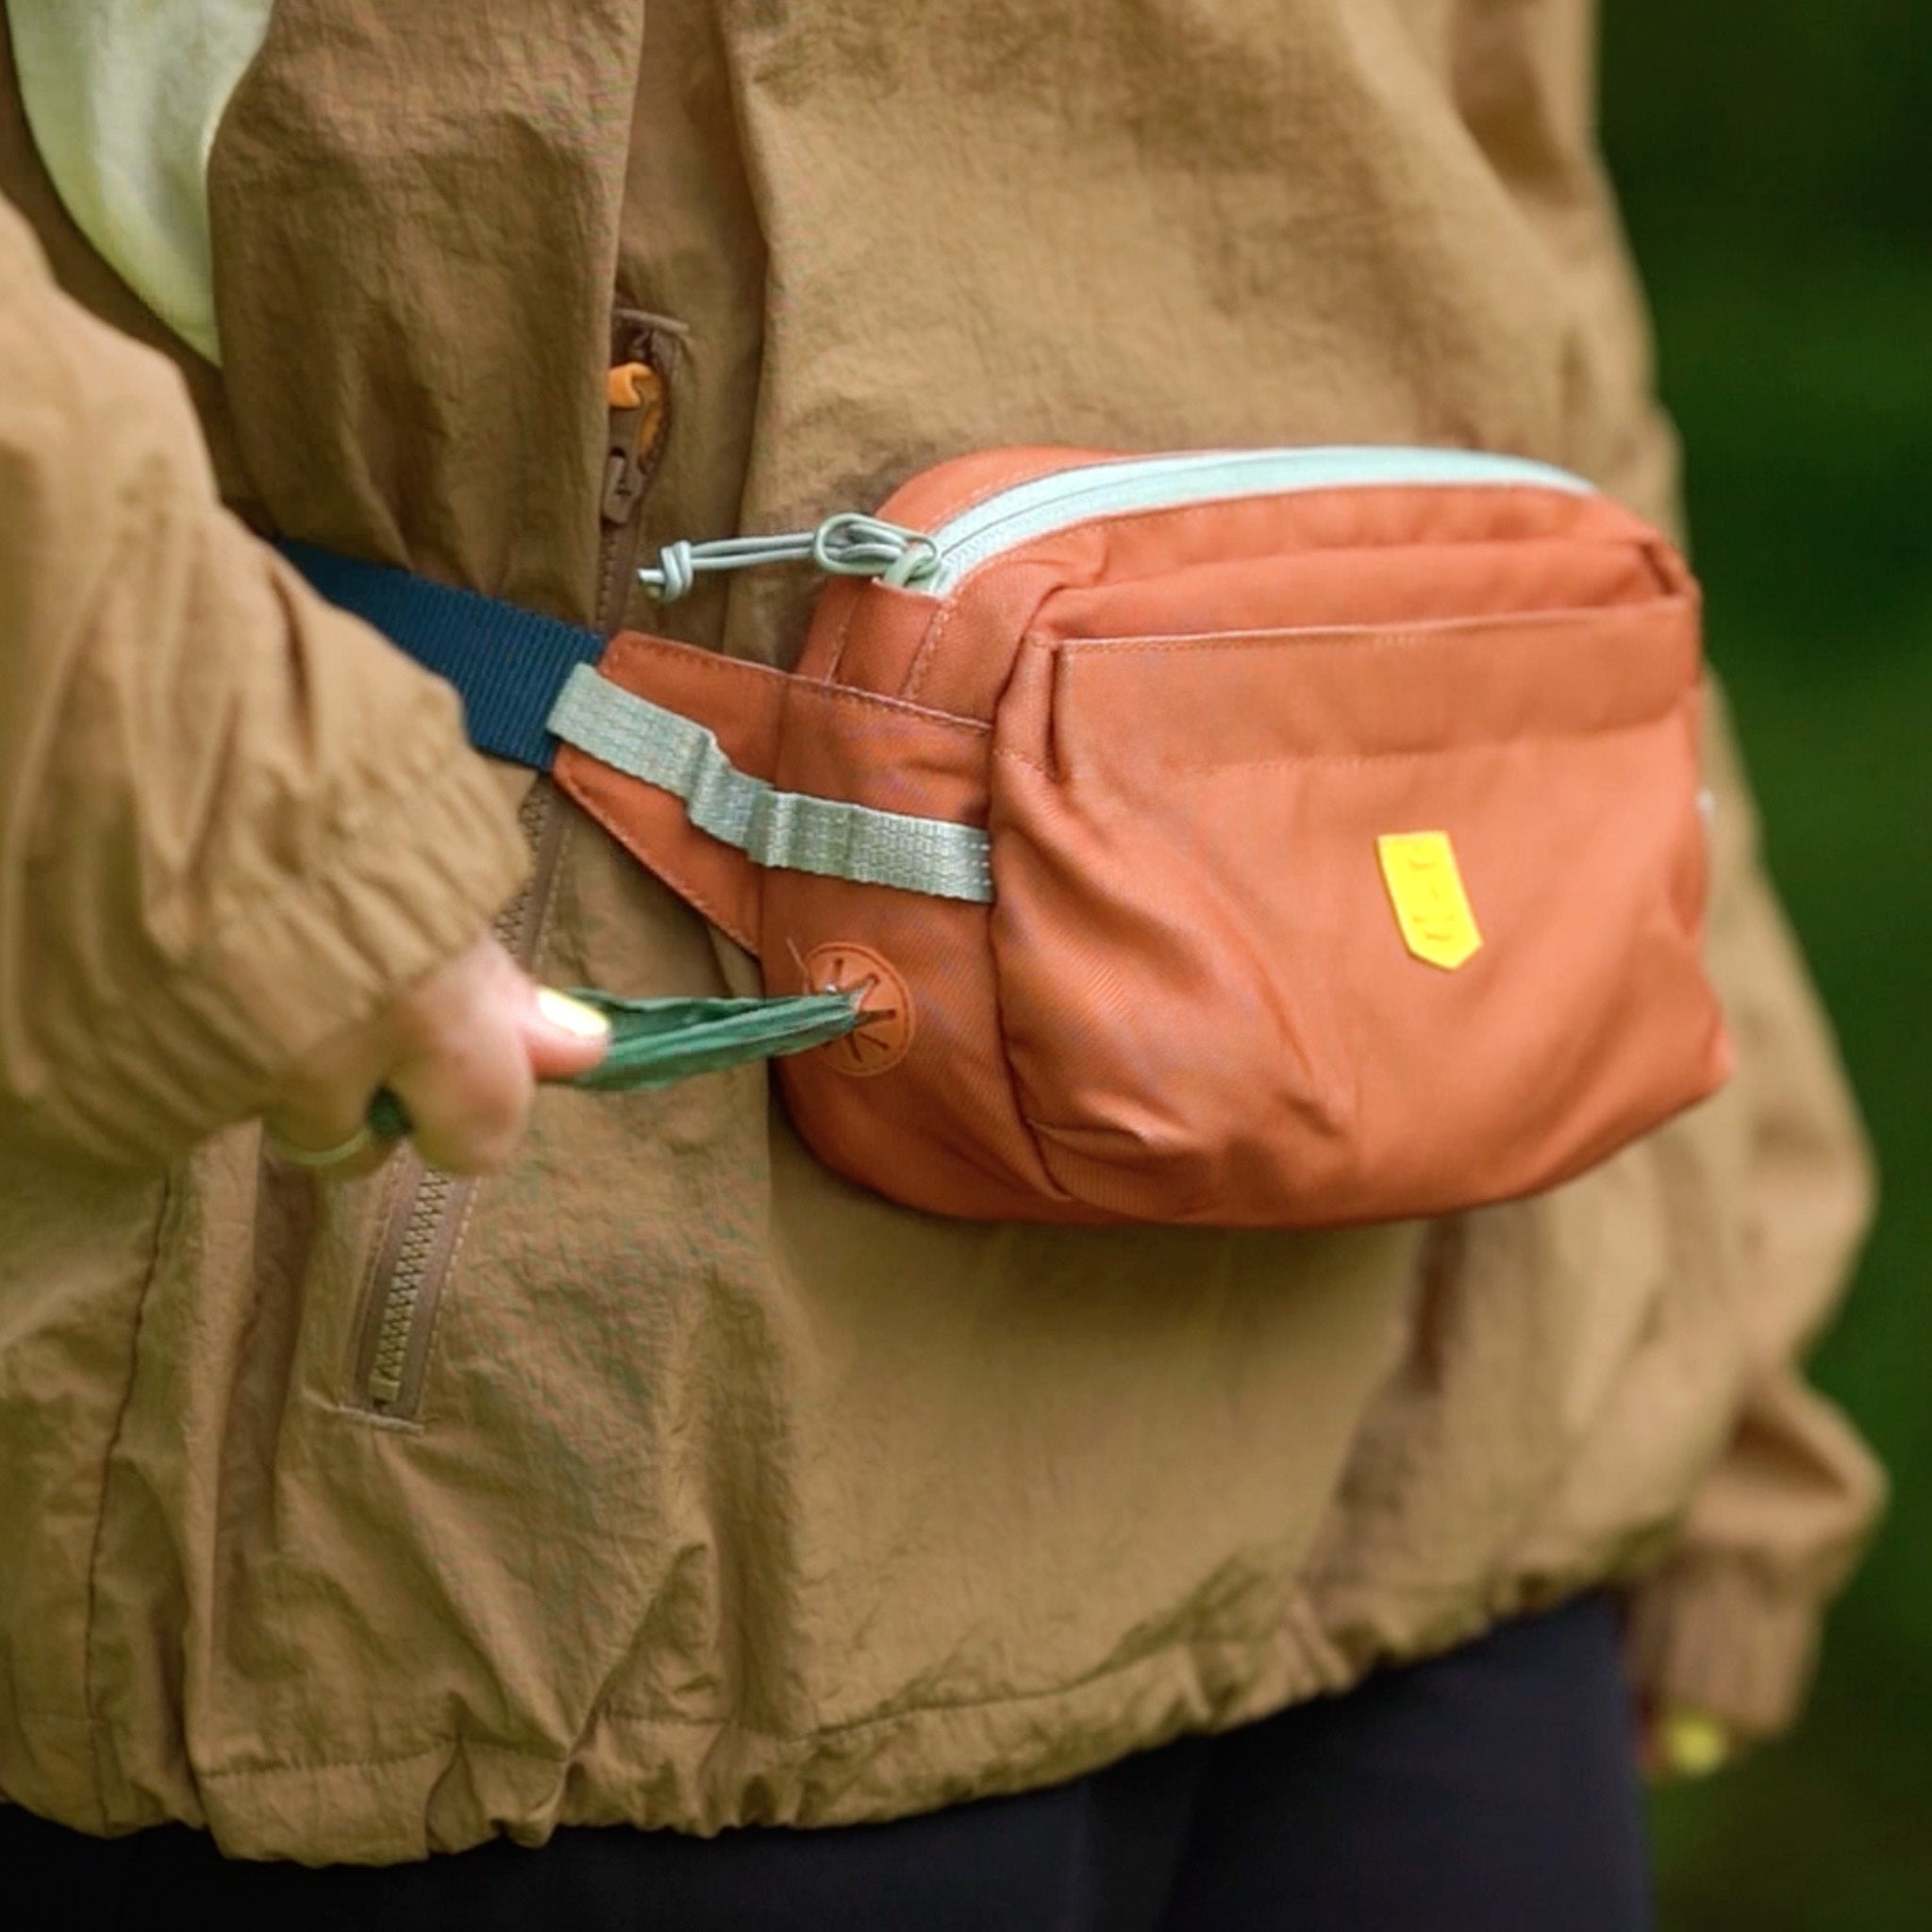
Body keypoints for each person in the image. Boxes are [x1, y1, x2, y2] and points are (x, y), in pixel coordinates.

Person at [0, 2, 1883, 1924]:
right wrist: (222, 776)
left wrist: (1719, 1305)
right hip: (616, 1480)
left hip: (1455, 1414)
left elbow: (1534, 311)